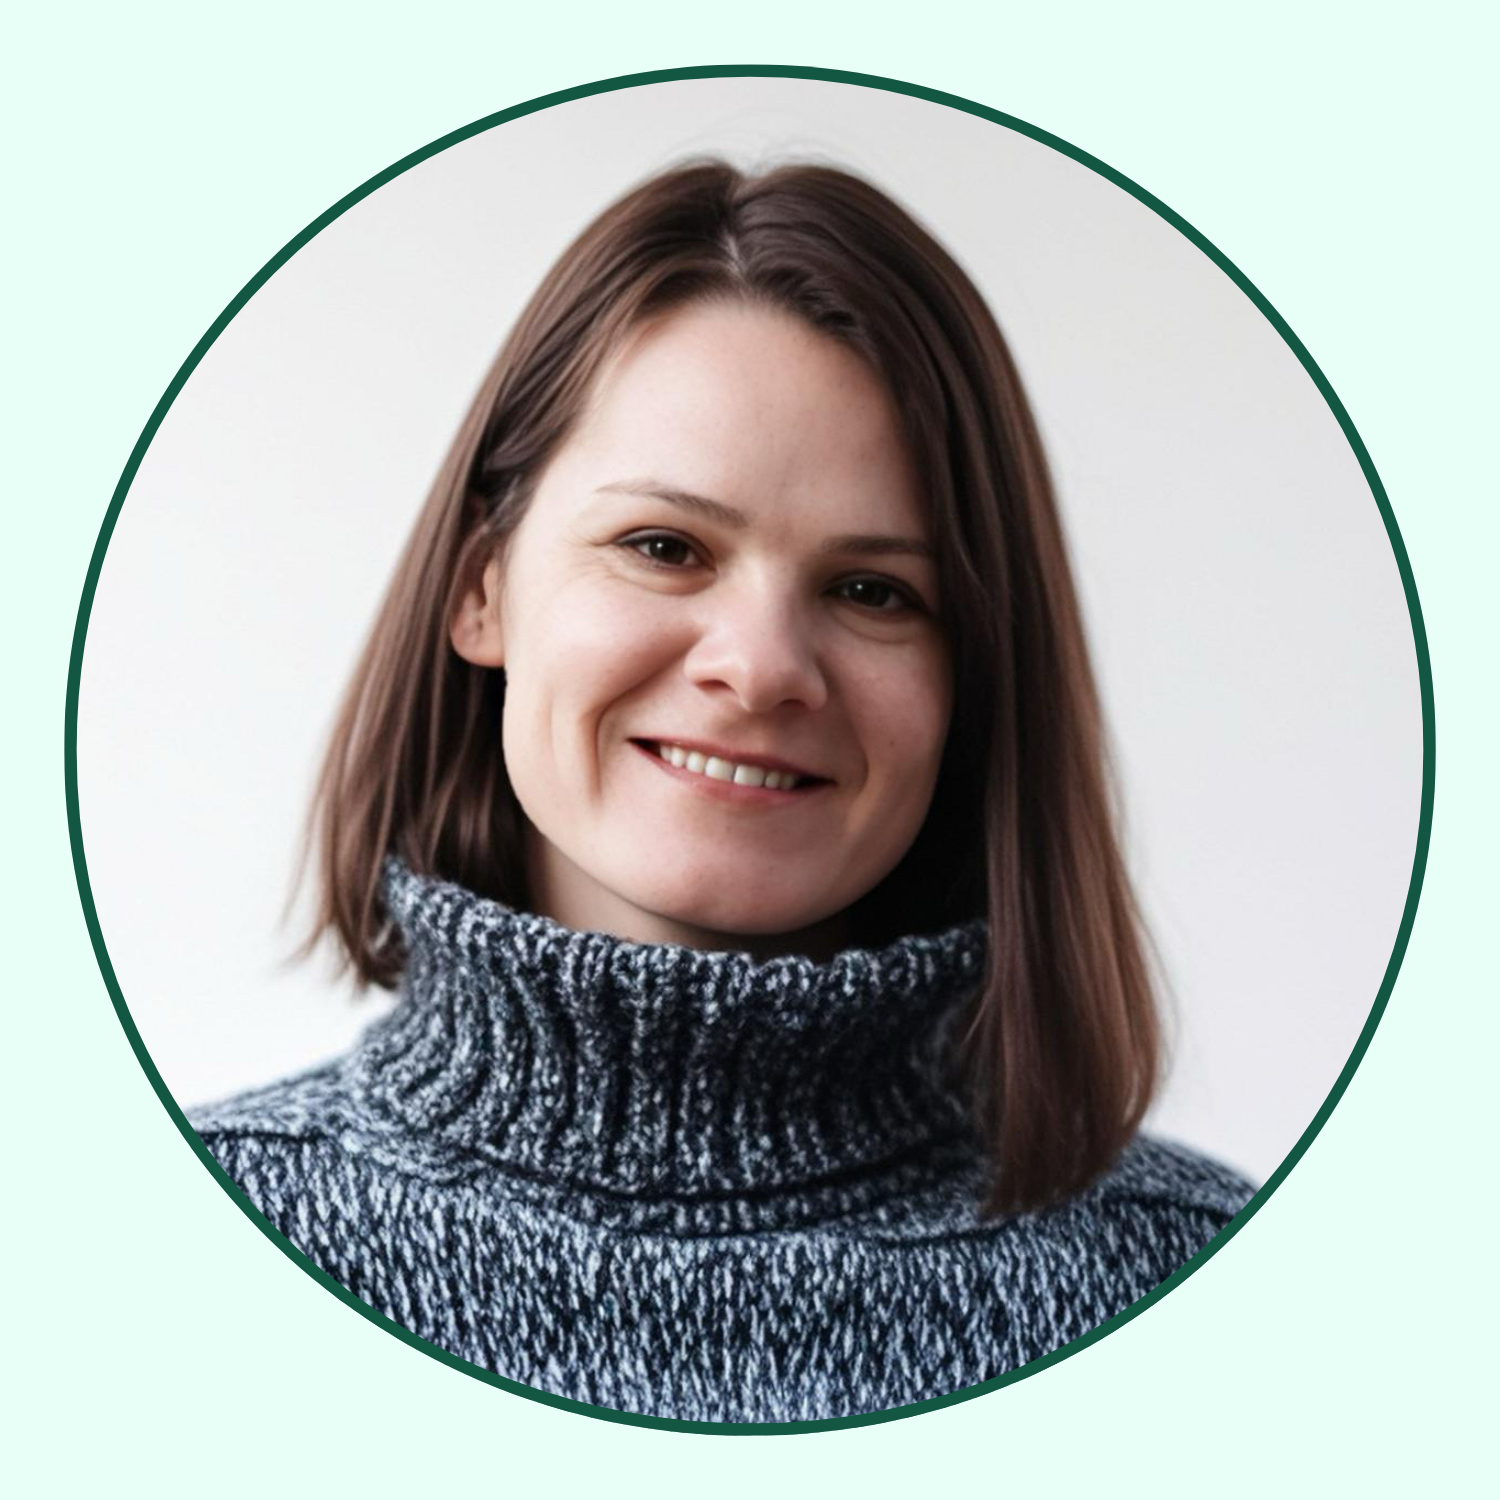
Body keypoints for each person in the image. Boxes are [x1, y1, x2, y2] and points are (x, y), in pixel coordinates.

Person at [189, 158, 1256, 1423]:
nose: (759, 668)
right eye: (664, 547)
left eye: (873, 591)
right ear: (482, 587)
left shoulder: (1210, 1291)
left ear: (976, 677)